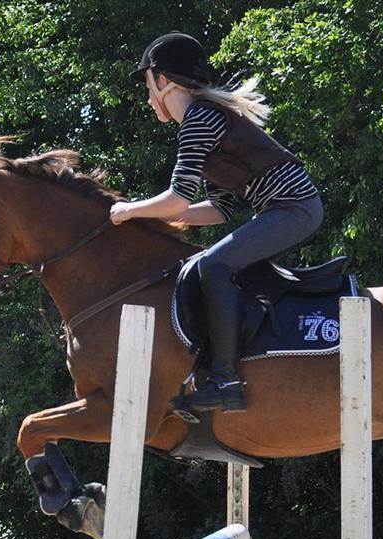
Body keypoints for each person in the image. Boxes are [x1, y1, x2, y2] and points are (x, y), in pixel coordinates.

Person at [108, 32, 323, 417]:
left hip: (294, 209)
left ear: (162, 81)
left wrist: (130, 210)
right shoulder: (202, 120)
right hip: (286, 209)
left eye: (146, 85)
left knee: (213, 266)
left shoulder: (199, 120)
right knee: (209, 264)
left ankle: (225, 382)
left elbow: (178, 198)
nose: (146, 98)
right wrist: (155, 220)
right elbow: (219, 209)